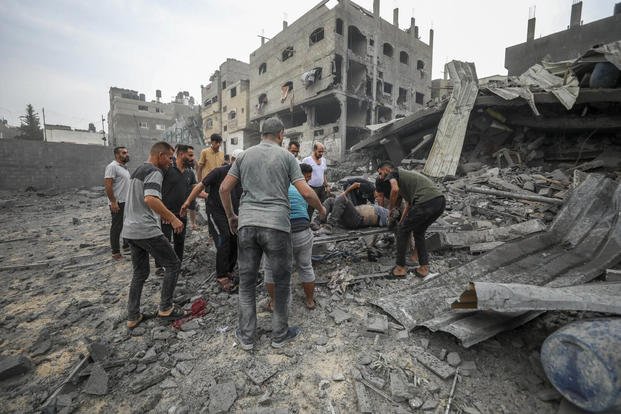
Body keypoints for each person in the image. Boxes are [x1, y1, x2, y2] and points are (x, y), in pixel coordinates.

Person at [220, 117, 326, 350]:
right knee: (281, 281)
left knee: (247, 284)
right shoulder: (287, 157)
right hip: (277, 226)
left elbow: (224, 188)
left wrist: (231, 217)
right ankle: (279, 335)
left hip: (247, 225)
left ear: (261, 134)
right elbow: (307, 193)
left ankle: (247, 337)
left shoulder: (244, 156)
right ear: (281, 134)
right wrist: (322, 208)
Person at [122, 141, 185, 329]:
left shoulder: (137, 171)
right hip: (146, 229)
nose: (171, 162)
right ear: (160, 155)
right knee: (173, 264)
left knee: (140, 272)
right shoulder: (154, 172)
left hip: (131, 230)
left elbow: (142, 200)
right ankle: (166, 307)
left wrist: (161, 214)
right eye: (169, 157)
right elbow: (150, 198)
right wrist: (172, 218)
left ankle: (133, 316)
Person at [181, 149, 243, 293]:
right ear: (232, 160)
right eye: (237, 162)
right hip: (216, 211)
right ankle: (221, 275)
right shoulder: (219, 172)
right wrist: (187, 202)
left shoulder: (244, 175)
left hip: (233, 213)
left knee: (235, 239)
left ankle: (229, 270)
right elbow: (200, 186)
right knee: (223, 238)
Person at [377, 161, 445, 279]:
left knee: (402, 232)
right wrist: (402, 222)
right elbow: (408, 205)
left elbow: (394, 190)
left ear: (387, 170)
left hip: (425, 202)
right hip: (439, 202)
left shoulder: (393, 173)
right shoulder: (406, 182)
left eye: (380, 173)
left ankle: (400, 268)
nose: (380, 176)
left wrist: (390, 210)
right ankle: (424, 268)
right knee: (418, 232)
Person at [264, 163, 317, 311]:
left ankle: (275, 303)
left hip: (278, 234)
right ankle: (310, 301)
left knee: (270, 269)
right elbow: (304, 210)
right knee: (305, 266)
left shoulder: (270, 189)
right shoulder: (302, 188)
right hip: (302, 233)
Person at [156, 144, 196, 270]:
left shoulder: (190, 173)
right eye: (190, 155)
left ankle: (177, 265)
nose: (192, 158)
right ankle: (161, 267)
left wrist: (210, 195)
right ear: (180, 155)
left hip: (182, 214)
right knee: (164, 242)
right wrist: (161, 212)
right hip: (166, 214)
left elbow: (195, 190)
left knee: (180, 242)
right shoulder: (167, 170)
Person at [314, 183, 389, 231]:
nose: (380, 198)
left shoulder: (387, 215)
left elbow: (390, 222)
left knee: (342, 198)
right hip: (351, 215)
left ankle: (329, 225)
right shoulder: (383, 208)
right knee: (330, 200)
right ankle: (318, 221)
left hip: (357, 220)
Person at [104, 146, 131, 260]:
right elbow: (108, 185)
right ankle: (115, 252)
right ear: (117, 155)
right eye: (124, 153)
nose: (127, 154)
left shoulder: (123, 168)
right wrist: (113, 202)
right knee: (116, 227)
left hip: (126, 201)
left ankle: (126, 245)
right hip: (118, 202)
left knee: (126, 224)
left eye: (127, 152)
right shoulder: (112, 167)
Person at [302, 142, 329, 220]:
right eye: (319, 151)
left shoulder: (323, 160)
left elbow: (323, 174)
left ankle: (322, 223)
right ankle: (307, 222)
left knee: (325, 206)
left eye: (322, 152)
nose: (321, 153)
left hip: (322, 188)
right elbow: (302, 174)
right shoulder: (306, 160)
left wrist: (327, 185)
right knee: (310, 208)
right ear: (314, 150)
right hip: (311, 188)